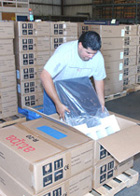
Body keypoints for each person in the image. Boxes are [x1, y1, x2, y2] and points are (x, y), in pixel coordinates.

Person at [40, 31, 106, 119]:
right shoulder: (65, 52)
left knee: (79, 120)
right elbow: (45, 76)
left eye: (94, 53)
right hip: (56, 89)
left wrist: (101, 103)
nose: (91, 57)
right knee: (52, 121)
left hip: (78, 90)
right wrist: (58, 103)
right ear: (80, 45)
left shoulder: (98, 57)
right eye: (88, 53)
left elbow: (99, 79)